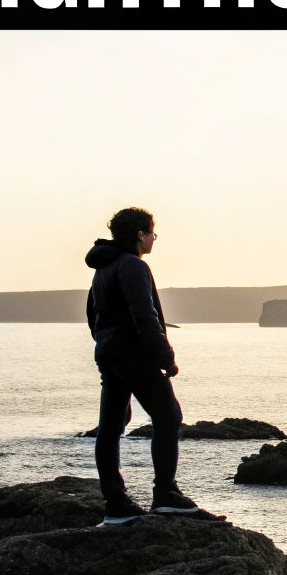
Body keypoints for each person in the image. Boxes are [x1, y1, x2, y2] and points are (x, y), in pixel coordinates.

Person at [85, 206, 199, 523]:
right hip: (133, 353)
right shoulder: (132, 265)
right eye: (151, 232)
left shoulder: (102, 267)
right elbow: (145, 316)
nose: (153, 239)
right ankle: (165, 494)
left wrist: (105, 344)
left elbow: (92, 314)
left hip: (108, 354)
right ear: (139, 235)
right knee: (169, 415)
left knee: (110, 426)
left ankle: (116, 505)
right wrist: (166, 357)